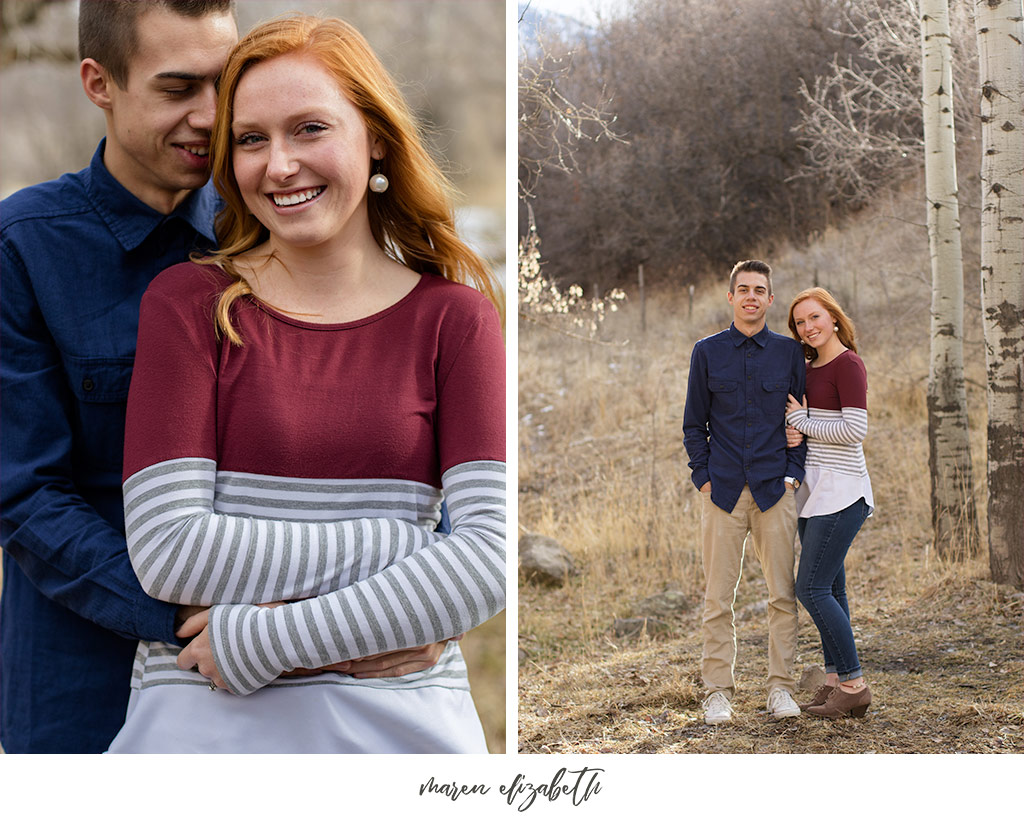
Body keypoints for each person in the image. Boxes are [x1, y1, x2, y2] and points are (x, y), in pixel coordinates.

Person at [0, 0, 446, 754]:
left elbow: (391, 463)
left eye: (224, 83)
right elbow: (23, 491)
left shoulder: (286, 227)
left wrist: (411, 610)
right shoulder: (26, 248)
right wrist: (198, 620)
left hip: (309, 680)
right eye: (178, 89)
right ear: (98, 83)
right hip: (83, 678)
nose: (210, 116)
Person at [105, 13, 506, 753]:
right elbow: (168, 549)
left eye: (310, 129)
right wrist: (402, 552)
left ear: (375, 135)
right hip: (203, 721)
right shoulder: (189, 304)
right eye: (252, 139)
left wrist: (267, 639)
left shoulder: (458, 320)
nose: (279, 165)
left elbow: (486, 561)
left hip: (399, 724)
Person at [682, 260, 806, 724]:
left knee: (782, 594)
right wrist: (704, 477)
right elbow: (695, 424)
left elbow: (801, 419)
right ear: (731, 297)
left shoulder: (789, 353)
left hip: (776, 489)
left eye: (760, 290)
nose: (752, 296)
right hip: (723, 492)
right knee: (718, 598)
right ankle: (717, 692)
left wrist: (794, 473)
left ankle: (781, 689)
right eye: (744, 289)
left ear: (770, 300)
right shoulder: (707, 352)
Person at [785, 287, 873, 718]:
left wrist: (801, 420)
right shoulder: (805, 369)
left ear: (833, 318)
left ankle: (854, 683)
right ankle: (836, 682)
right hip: (811, 491)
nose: (808, 327)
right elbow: (805, 428)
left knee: (811, 588)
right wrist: (793, 431)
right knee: (832, 589)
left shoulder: (847, 364)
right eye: (800, 322)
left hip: (842, 491)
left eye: (815, 317)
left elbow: (855, 429)